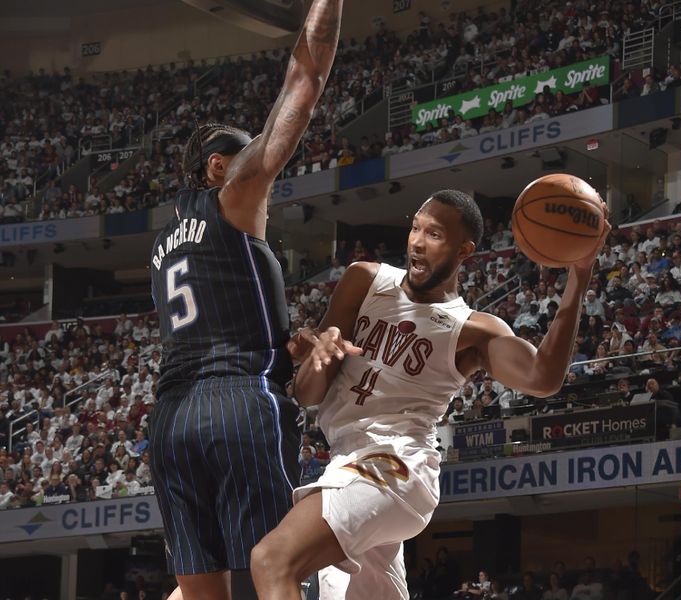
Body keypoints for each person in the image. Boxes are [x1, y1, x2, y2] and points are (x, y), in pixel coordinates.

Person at [250, 189, 610, 599]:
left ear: (464, 250)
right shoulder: (364, 280)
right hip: (345, 462)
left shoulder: (471, 329)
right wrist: (318, 358)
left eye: (434, 234)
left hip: (397, 464)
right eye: (416, 228)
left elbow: (544, 378)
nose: (417, 241)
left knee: (273, 559)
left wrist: (580, 275)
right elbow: (308, 394)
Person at [148, 1, 343, 599]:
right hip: (236, 401)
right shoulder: (233, 197)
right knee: (275, 576)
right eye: (247, 153)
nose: (264, 167)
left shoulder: (160, 247)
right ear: (217, 168)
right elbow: (303, 83)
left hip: (169, 422)